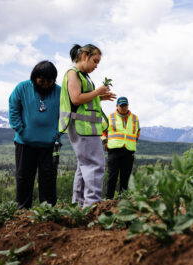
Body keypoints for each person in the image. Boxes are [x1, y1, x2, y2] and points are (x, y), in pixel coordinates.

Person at [59, 44, 116, 207]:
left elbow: (83, 99)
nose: (96, 66)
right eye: (95, 61)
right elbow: (75, 98)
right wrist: (98, 92)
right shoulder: (73, 74)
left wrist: (100, 98)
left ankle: (79, 204)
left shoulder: (83, 76)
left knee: (84, 166)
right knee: (95, 164)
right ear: (84, 56)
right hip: (81, 127)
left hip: (86, 127)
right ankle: (91, 204)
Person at [8, 60, 61, 209]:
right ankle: (23, 210)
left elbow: (65, 116)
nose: (46, 84)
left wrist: (57, 135)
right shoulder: (22, 88)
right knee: (24, 177)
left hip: (50, 144)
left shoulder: (60, 92)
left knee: (48, 178)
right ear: (34, 78)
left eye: (50, 81)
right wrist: (21, 130)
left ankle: (48, 211)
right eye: (42, 81)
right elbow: (13, 109)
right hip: (25, 143)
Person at [101, 97, 140, 199]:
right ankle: (109, 198)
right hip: (114, 150)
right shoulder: (110, 117)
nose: (123, 107)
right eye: (121, 105)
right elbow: (102, 131)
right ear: (117, 106)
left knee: (125, 176)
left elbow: (137, 132)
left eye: (125, 105)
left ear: (128, 105)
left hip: (128, 150)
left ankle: (123, 198)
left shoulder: (135, 118)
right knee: (112, 176)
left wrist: (132, 142)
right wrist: (104, 141)